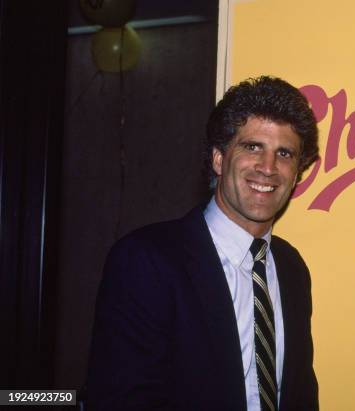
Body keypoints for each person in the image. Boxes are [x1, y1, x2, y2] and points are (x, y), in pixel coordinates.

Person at [86, 76, 319, 410]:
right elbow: (119, 398)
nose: (268, 168)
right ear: (219, 160)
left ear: (297, 174)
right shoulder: (146, 261)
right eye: (252, 147)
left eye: (284, 153)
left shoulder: (291, 267)